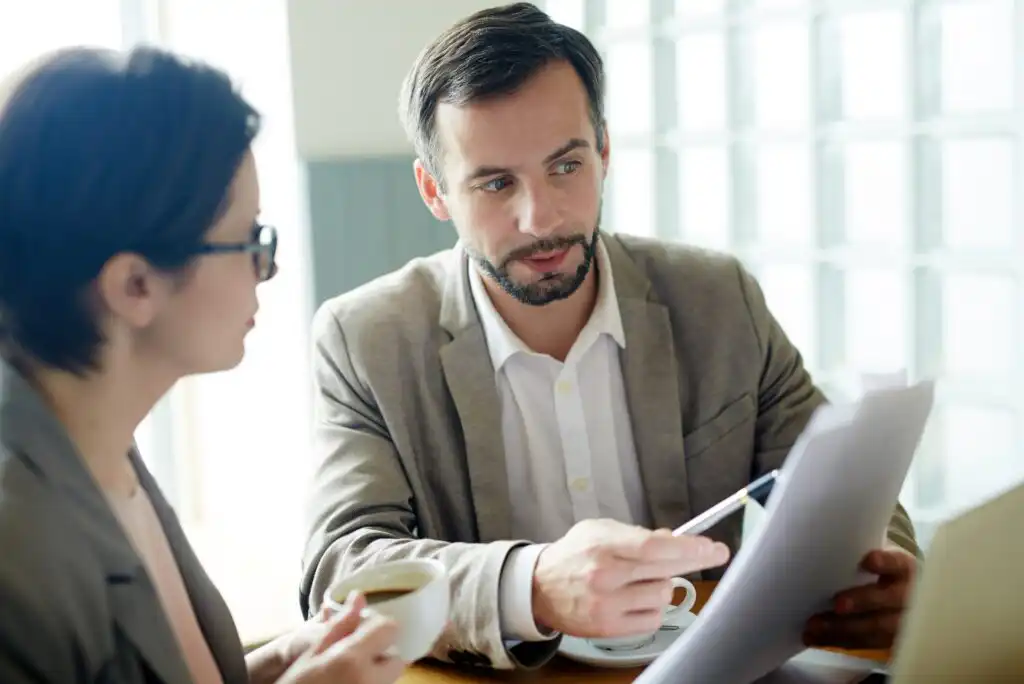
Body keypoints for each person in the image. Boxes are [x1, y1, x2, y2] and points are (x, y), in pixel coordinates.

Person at [301, 1, 920, 671]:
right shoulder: (365, 338)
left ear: (603, 152)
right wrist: (530, 587)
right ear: (434, 191)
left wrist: (888, 573)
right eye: (496, 183)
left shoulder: (718, 299)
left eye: (566, 166)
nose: (540, 218)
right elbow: (342, 573)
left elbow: (843, 487)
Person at [0, 46, 404, 684]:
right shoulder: (17, 548)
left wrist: (271, 668)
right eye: (250, 241)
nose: (266, 270)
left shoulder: (100, 444)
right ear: (134, 286)